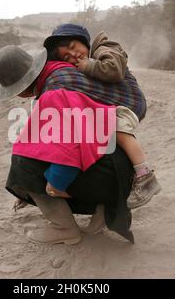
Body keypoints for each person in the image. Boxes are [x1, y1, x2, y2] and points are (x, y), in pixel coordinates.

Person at [0, 45, 141, 244]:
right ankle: (103, 209)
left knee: (22, 161)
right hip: (120, 165)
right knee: (38, 148)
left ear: (20, 87)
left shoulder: (53, 91)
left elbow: (68, 148)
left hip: (109, 171)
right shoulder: (60, 71)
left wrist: (45, 185)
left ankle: (64, 228)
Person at [43, 23, 161, 209]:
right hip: (115, 105)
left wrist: (87, 65)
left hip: (130, 102)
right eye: (67, 56)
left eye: (74, 47)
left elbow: (113, 69)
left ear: (84, 40)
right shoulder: (85, 63)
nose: (73, 55)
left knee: (118, 130)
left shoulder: (104, 47)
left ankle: (146, 177)